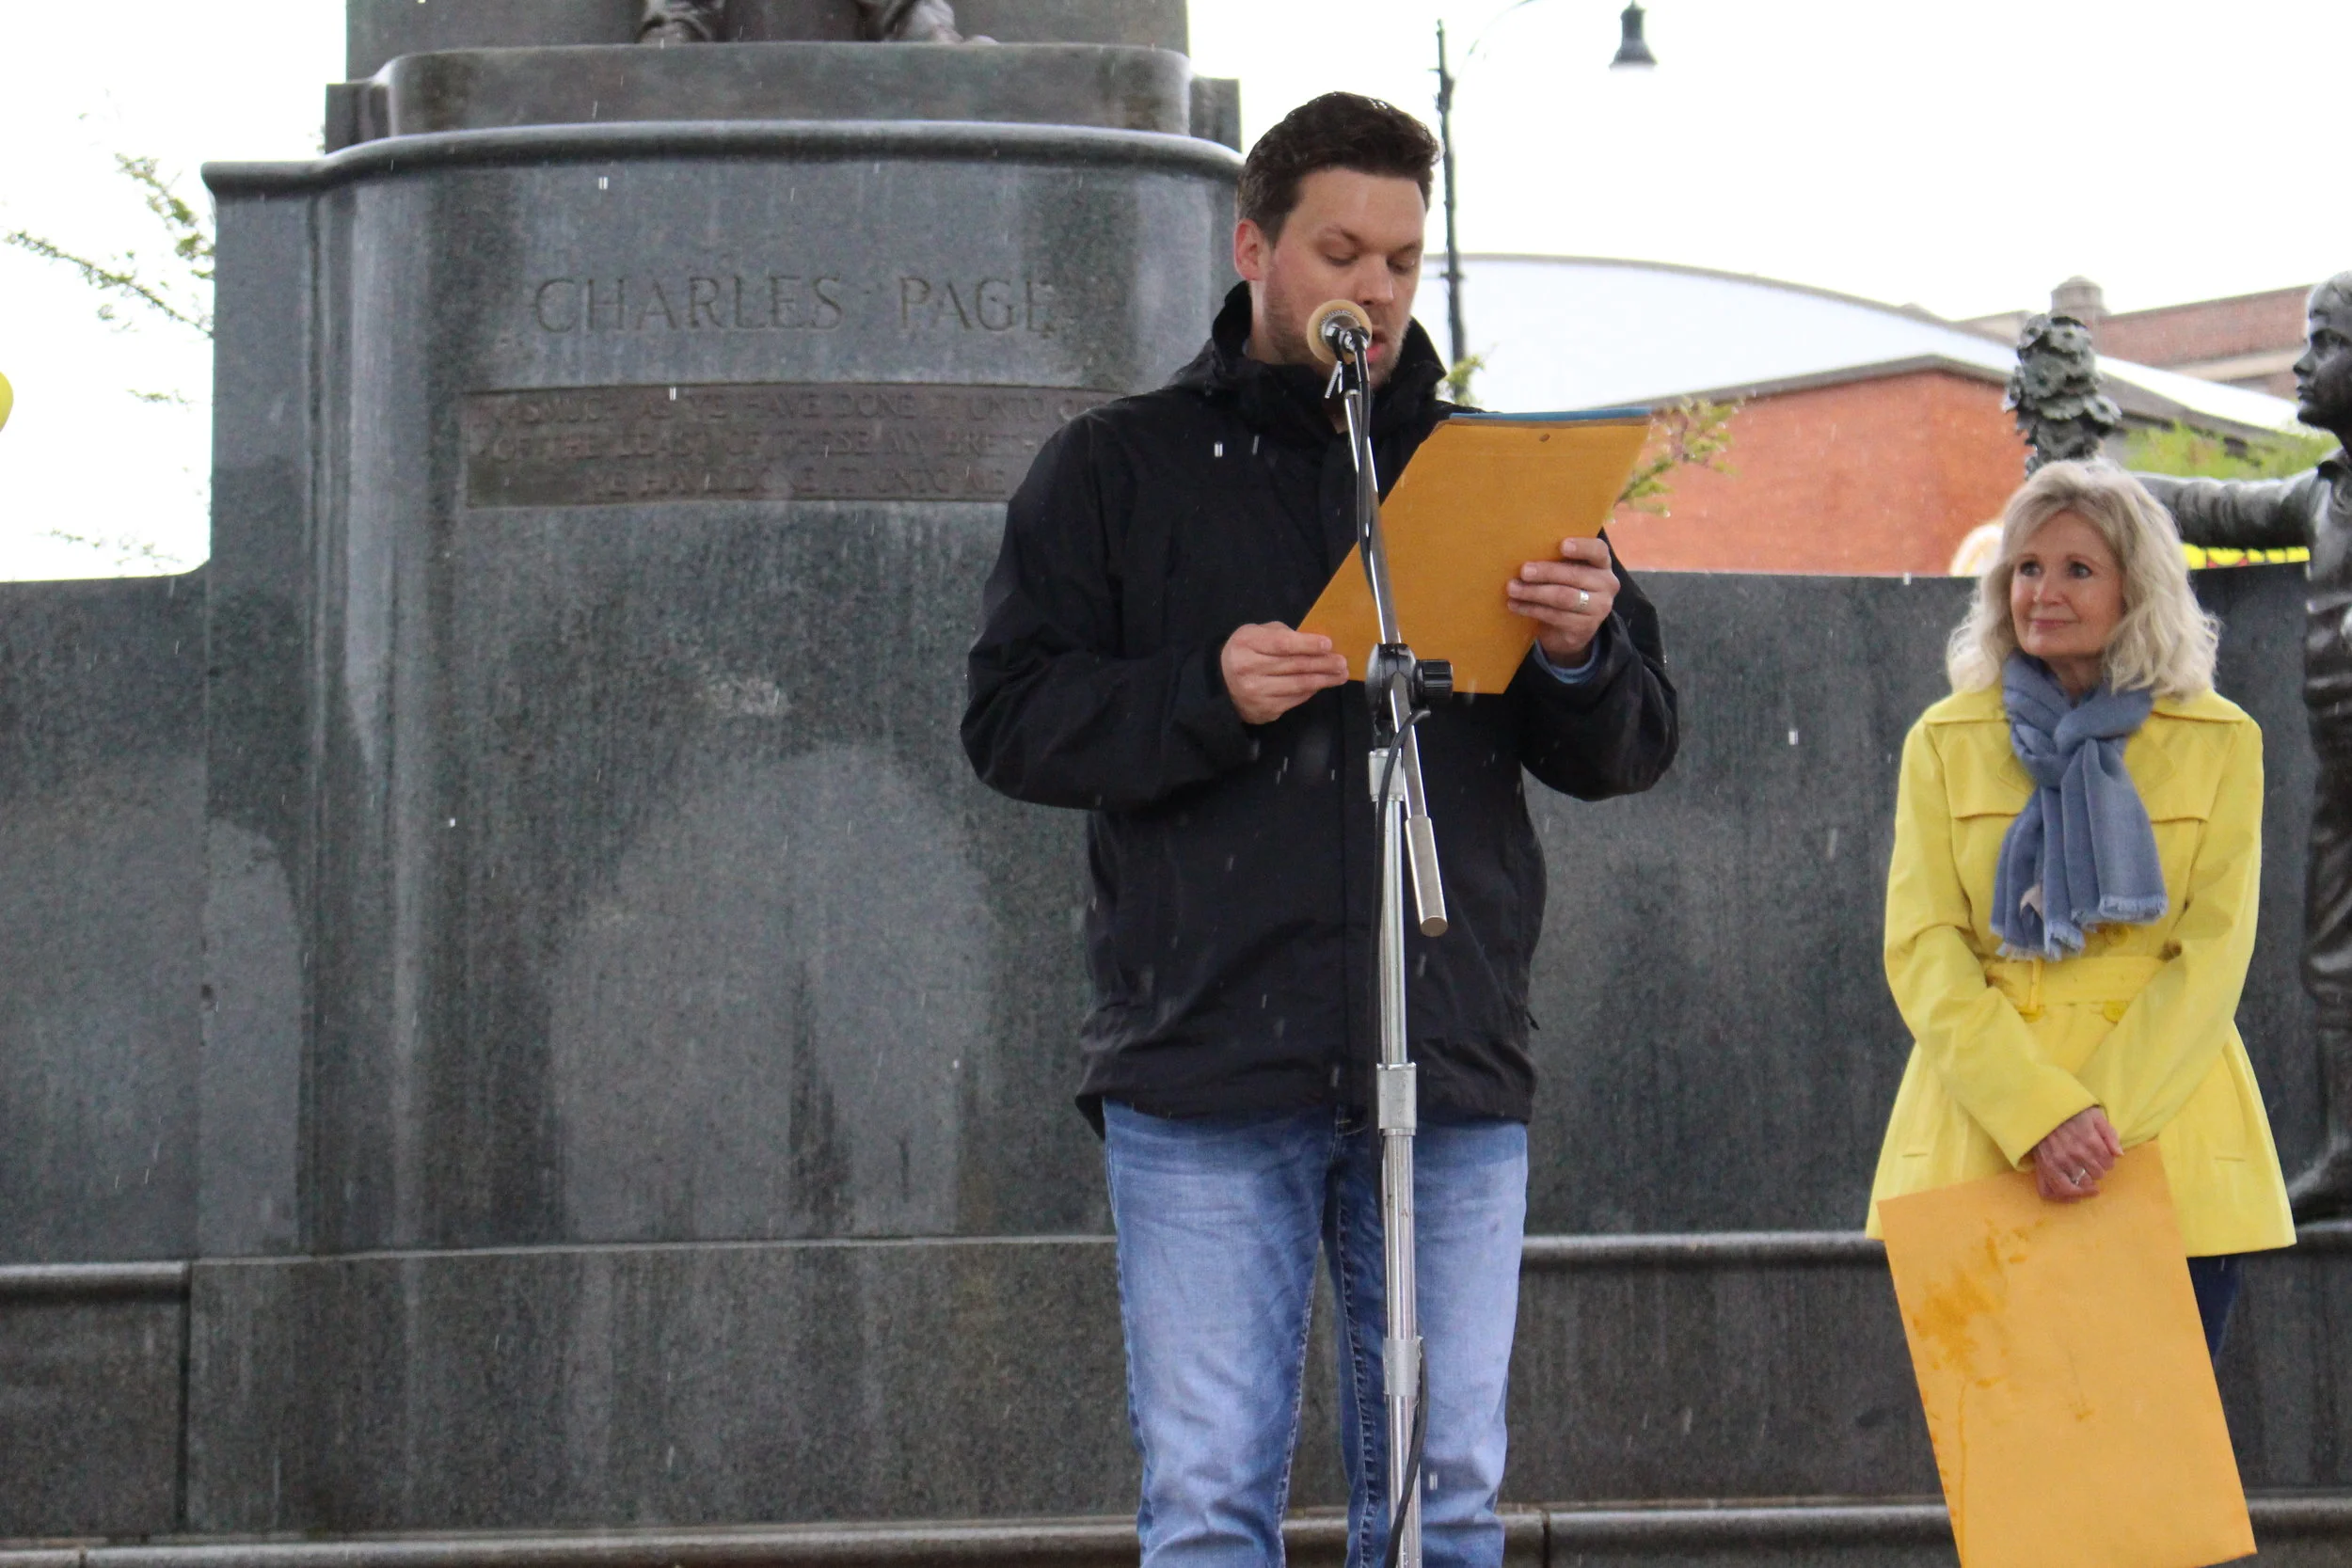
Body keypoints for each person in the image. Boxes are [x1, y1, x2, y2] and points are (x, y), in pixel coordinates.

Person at [961, 92, 1677, 1568]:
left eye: (1404, 262)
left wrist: (1581, 650)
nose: (1377, 289)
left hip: (1451, 1059)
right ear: (1254, 248)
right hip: (1210, 1057)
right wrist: (1202, 692)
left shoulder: (1492, 475)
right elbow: (1010, 720)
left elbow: (1628, 747)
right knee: (1214, 1495)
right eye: (1342, 251)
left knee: (1446, 1494)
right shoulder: (1116, 467)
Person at [1866, 460, 2296, 1356]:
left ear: (2136, 590)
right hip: (1983, 1143)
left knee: (2153, 1477)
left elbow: (2215, 953)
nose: (2043, 591)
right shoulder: (1943, 740)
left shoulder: (2223, 741)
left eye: (2077, 569)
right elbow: (1922, 947)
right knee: (2008, 1486)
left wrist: (2092, 1126)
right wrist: (2035, 1115)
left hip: (2164, 1148)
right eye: (2026, 568)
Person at [2135, 272, 2352, 1220]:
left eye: (2325, 340)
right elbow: (2210, 507)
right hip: (2338, 768)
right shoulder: (2321, 494)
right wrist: (2098, 484)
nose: (2303, 362)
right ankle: (2348, 1153)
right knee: (2332, 956)